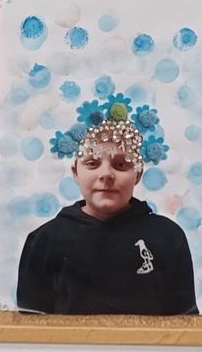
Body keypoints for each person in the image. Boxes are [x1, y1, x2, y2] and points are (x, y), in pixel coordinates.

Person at [17, 113, 198, 315]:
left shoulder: (168, 237)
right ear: (76, 172)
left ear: (137, 174)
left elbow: (184, 326)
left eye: (121, 164)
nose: (106, 174)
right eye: (92, 163)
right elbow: (30, 329)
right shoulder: (45, 240)